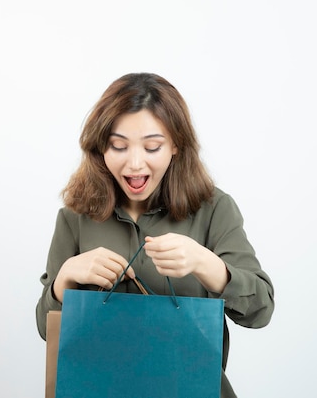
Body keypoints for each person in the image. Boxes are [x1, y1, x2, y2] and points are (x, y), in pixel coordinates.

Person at [35, 72, 275, 397]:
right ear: (101, 148)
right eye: (118, 146)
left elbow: (261, 311)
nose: (135, 163)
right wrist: (65, 280)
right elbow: (46, 329)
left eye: (152, 147)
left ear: (175, 144)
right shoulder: (75, 216)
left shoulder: (214, 209)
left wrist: (206, 264)